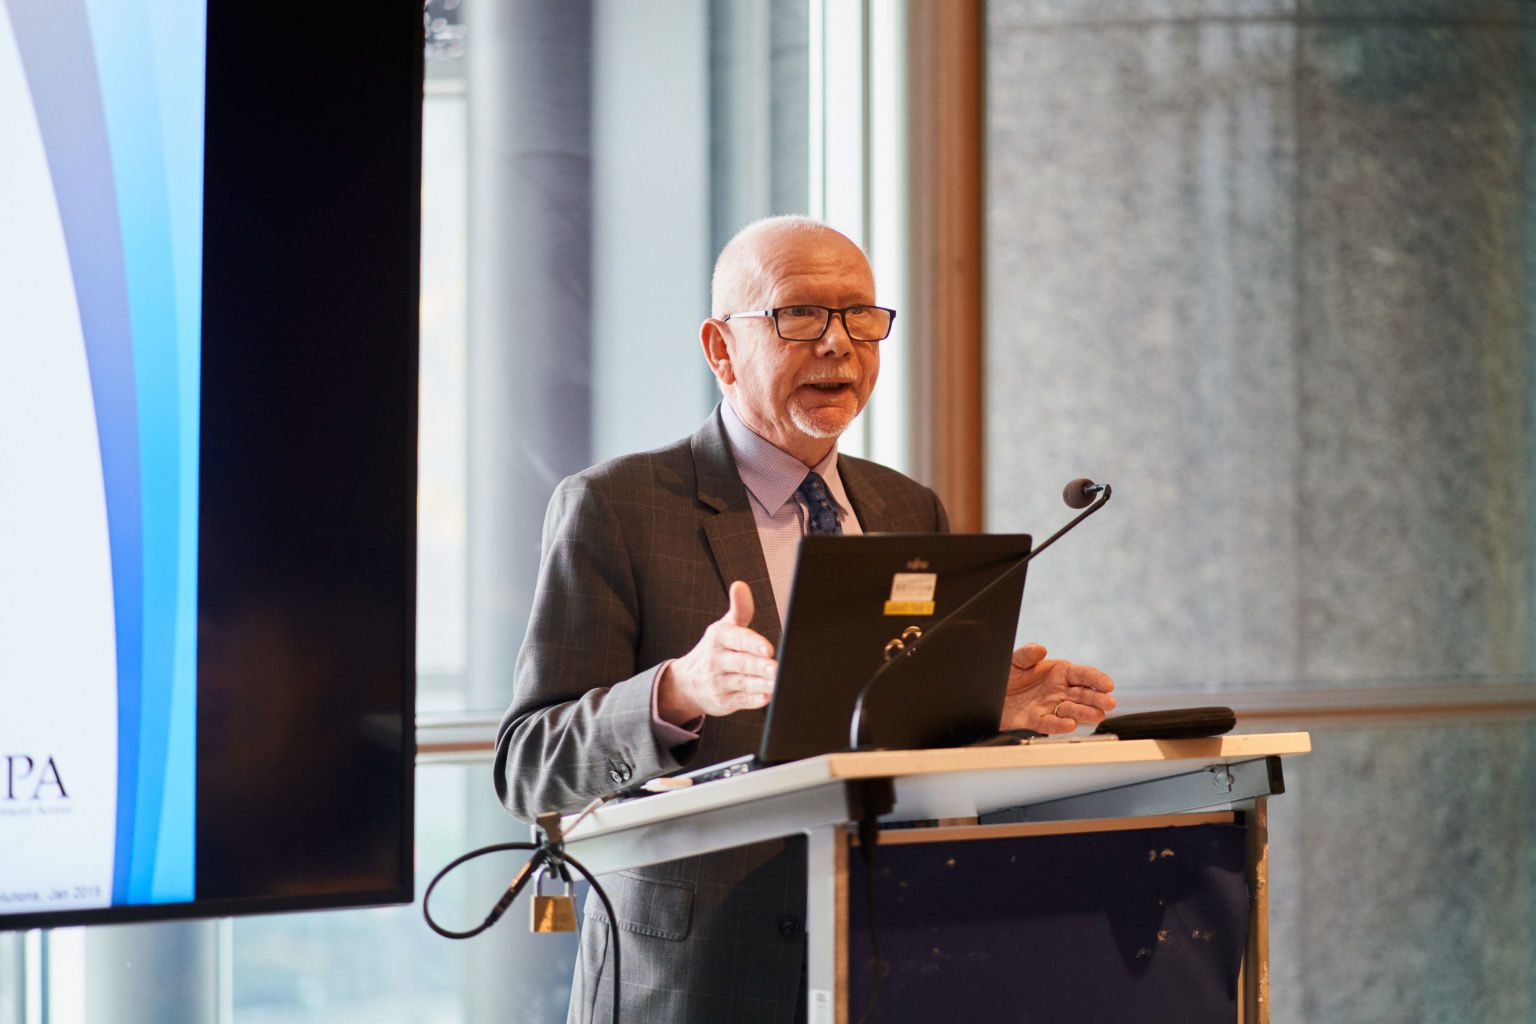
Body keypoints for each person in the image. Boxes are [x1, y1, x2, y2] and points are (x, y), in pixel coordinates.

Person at [494, 216, 1116, 1024]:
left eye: (860, 316)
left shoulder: (906, 507)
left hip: (884, 951)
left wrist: (984, 710)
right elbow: (528, 766)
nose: (838, 344)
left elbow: (887, 731)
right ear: (721, 348)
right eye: (800, 316)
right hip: (695, 976)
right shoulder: (617, 506)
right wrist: (677, 691)